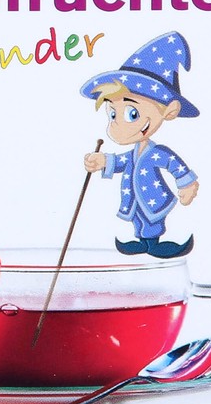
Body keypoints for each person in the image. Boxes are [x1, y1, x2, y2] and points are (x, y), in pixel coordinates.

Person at [80, 32, 199, 259]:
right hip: (135, 199)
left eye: (132, 114)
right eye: (113, 114)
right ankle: (143, 242)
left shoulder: (157, 153)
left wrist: (187, 184)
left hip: (153, 198)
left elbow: (175, 165)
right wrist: (103, 161)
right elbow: (121, 161)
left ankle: (153, 244)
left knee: (152, 220)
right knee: (138, 219)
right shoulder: (133, 154)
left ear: (170, 111)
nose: (117, 125)